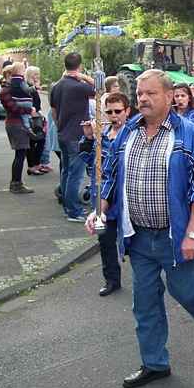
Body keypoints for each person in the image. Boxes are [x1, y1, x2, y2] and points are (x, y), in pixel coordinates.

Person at [87, 70, 194, 388]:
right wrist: (99, 211)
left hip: (175, 236)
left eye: (150, 93)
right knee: (145, 303)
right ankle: (155, 363)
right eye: (139, 94)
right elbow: (109, 177)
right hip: (138, 237)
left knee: (185, 291)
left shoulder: (189, 134)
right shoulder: (127, 134)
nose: (143, 99)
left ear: (167, 96)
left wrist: (192, 233)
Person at [80, 92, 131, 297]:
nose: (113, 115)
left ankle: (146, 280)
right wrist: (89, 137)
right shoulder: (102, 133)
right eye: (109, 112)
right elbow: (87, 160)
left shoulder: (131, 134)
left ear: (127, 111)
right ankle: (111, 279)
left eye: (118, 111)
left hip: (125, 197)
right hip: (102, 197)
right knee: (105, 240)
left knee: (133, 242)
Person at [50, 53, 95, 222]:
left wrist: (60, 125)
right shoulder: (79, 86)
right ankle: (73, 211)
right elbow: (101, 89)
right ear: (79, 66)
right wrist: (84, 77)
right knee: (76, 175)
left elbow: (54, 111)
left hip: (62, 133)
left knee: (66, 171)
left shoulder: (56, 86)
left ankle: (67, 205)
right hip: (77, 135)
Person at [0, 64, 34, 194]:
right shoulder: (7, 91)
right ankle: (16, 183)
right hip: (16, 124)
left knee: (20, 154)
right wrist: (29, 110)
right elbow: (13, 108)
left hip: (15, 123)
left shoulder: (10, 90)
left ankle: (16, 182)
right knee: (20, 154)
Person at [24, 66, 46, 176]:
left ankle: (36, 164)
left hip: (36, 115)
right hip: (31, 117)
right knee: (33, 142)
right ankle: (32, 166)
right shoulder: (27, 87)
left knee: (40, 140)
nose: (38, 77)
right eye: (35, 74)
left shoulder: (32, 87)